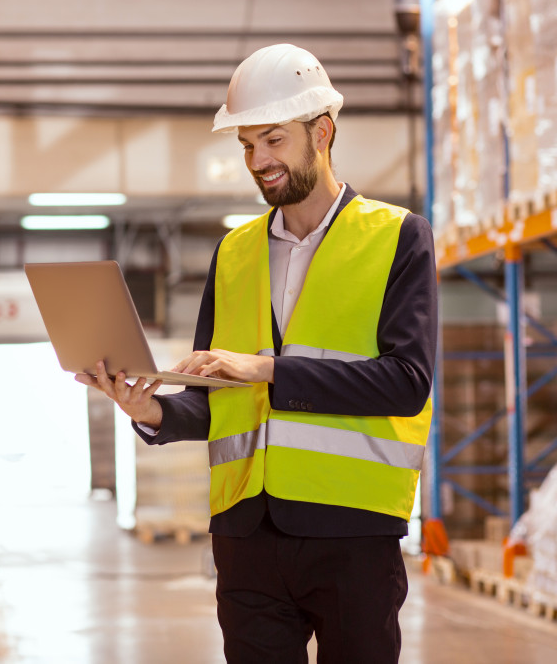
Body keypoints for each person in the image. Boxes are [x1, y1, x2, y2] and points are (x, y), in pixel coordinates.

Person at [76, 43, 437, 664]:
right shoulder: (234, 252)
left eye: (273, 140)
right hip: (245, 534)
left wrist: (266, 369)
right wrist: (153, 411)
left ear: (321, 132)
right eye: (247, 146)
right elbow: (214, 398)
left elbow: (407, 382)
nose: (258, 161)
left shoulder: (398, 237)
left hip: (352, 530)